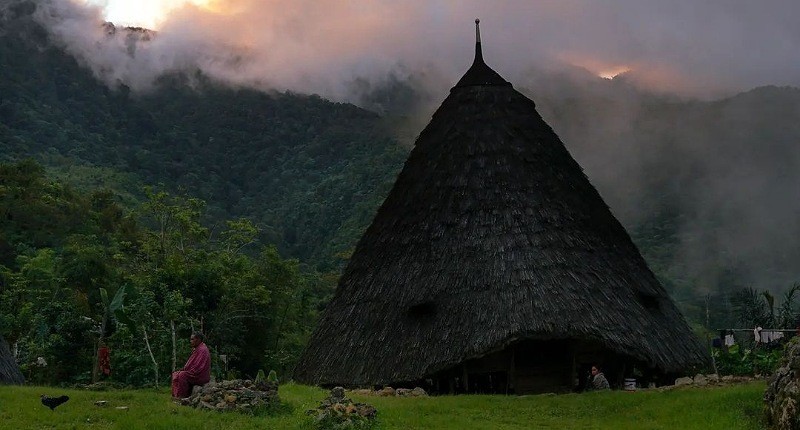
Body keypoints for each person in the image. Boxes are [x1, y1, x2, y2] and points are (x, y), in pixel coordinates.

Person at [171, 332, 211, 399]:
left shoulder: (202, 350)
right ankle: (177, 395)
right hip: (196, 373)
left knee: (182, 375)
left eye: (192, 339)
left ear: (198, 340)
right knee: (177, 373)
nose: (190, 341)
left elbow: (198, 367)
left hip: (200, 376)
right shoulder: (199, 348)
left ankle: (182, 397)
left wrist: (187, 371)